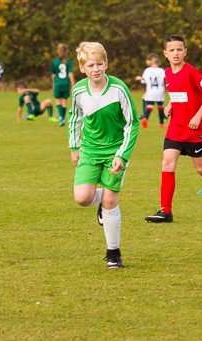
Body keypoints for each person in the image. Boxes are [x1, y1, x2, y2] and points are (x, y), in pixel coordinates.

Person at [67, 41, 139, 269]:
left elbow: (132, 123)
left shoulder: (119, 89)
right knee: (82, 198)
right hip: (89, 150)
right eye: (90, 65)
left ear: (106, 64)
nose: (95, 68)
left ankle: (113, 253)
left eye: (99, 64)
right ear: (82, 68)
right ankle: (101, 199)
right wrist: (74, 146)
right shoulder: (78, 89)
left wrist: (123, 155)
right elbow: (74, 118)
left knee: (110, 200)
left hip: (115, 151)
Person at [144, 35, 202, 223]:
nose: (176, 53)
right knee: (167, 163)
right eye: (172, 50)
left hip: (194, 129)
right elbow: (178, 96)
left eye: (179, 49)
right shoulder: (167, 73)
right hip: (175, 128)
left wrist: (198, 116)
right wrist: (170, 105)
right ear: (165, 53)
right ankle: (166, 211)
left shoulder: (191, 71)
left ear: (185, 52)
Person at [135, 53, 166, 129]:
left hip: (150, 91)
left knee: (149, 106)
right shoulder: (161, 70)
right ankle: (161, 124)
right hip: (160, 91)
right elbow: (165, 79)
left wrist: (140, 78)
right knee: (160, 107)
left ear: (151, 61)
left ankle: (145, 118)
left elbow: (144, 80)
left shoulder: (147, 70)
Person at [52, 43, 76, 126]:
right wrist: (73, 84)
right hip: (66, 84)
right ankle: (63, 118)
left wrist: (53, 83)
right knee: (64, 102)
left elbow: (53, 75)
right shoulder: (68, 62)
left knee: (58, 101)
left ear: (58, 51)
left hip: (58, 83)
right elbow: (70, 73)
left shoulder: (55, 62)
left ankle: (61, 119)